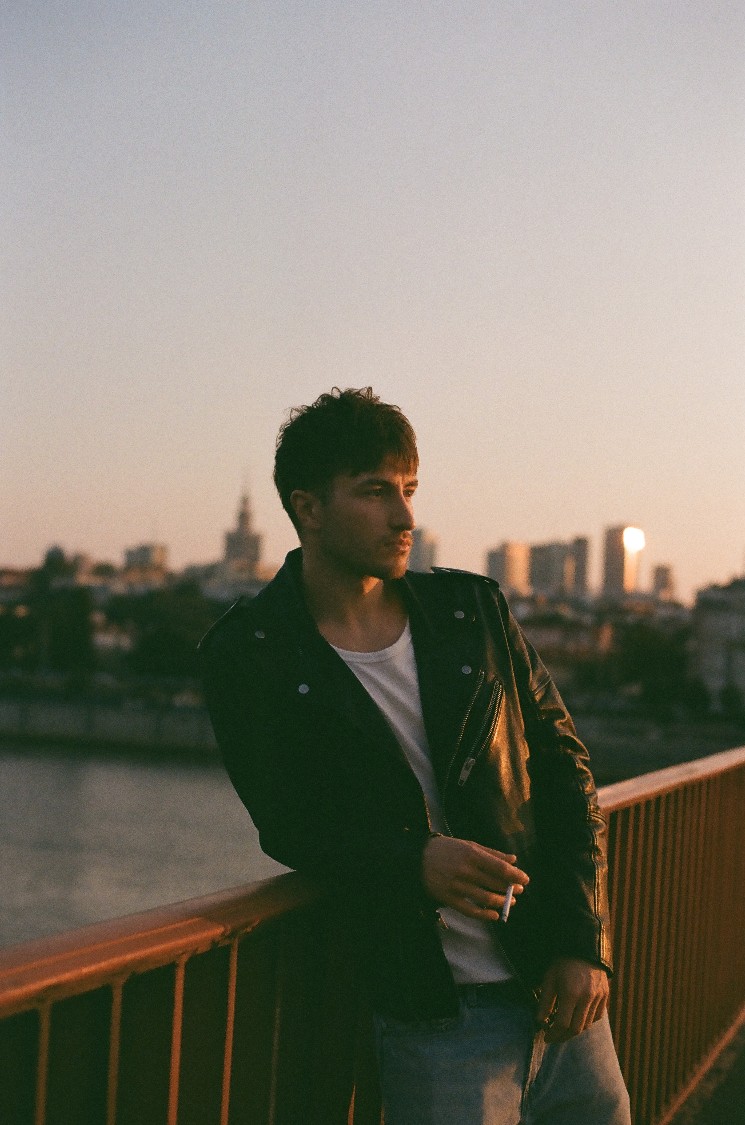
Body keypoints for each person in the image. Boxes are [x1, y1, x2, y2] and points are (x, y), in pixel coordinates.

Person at [200, 387, 631, 1125]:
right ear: (309, 508)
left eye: (409, 489)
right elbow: (287, 822)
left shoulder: (472, 611)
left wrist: (583, 944)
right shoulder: (250, 652)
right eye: (376, 492)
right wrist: (413, 859)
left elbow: (565, 770)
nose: (404, 516)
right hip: (435, 1018)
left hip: (556, 986)